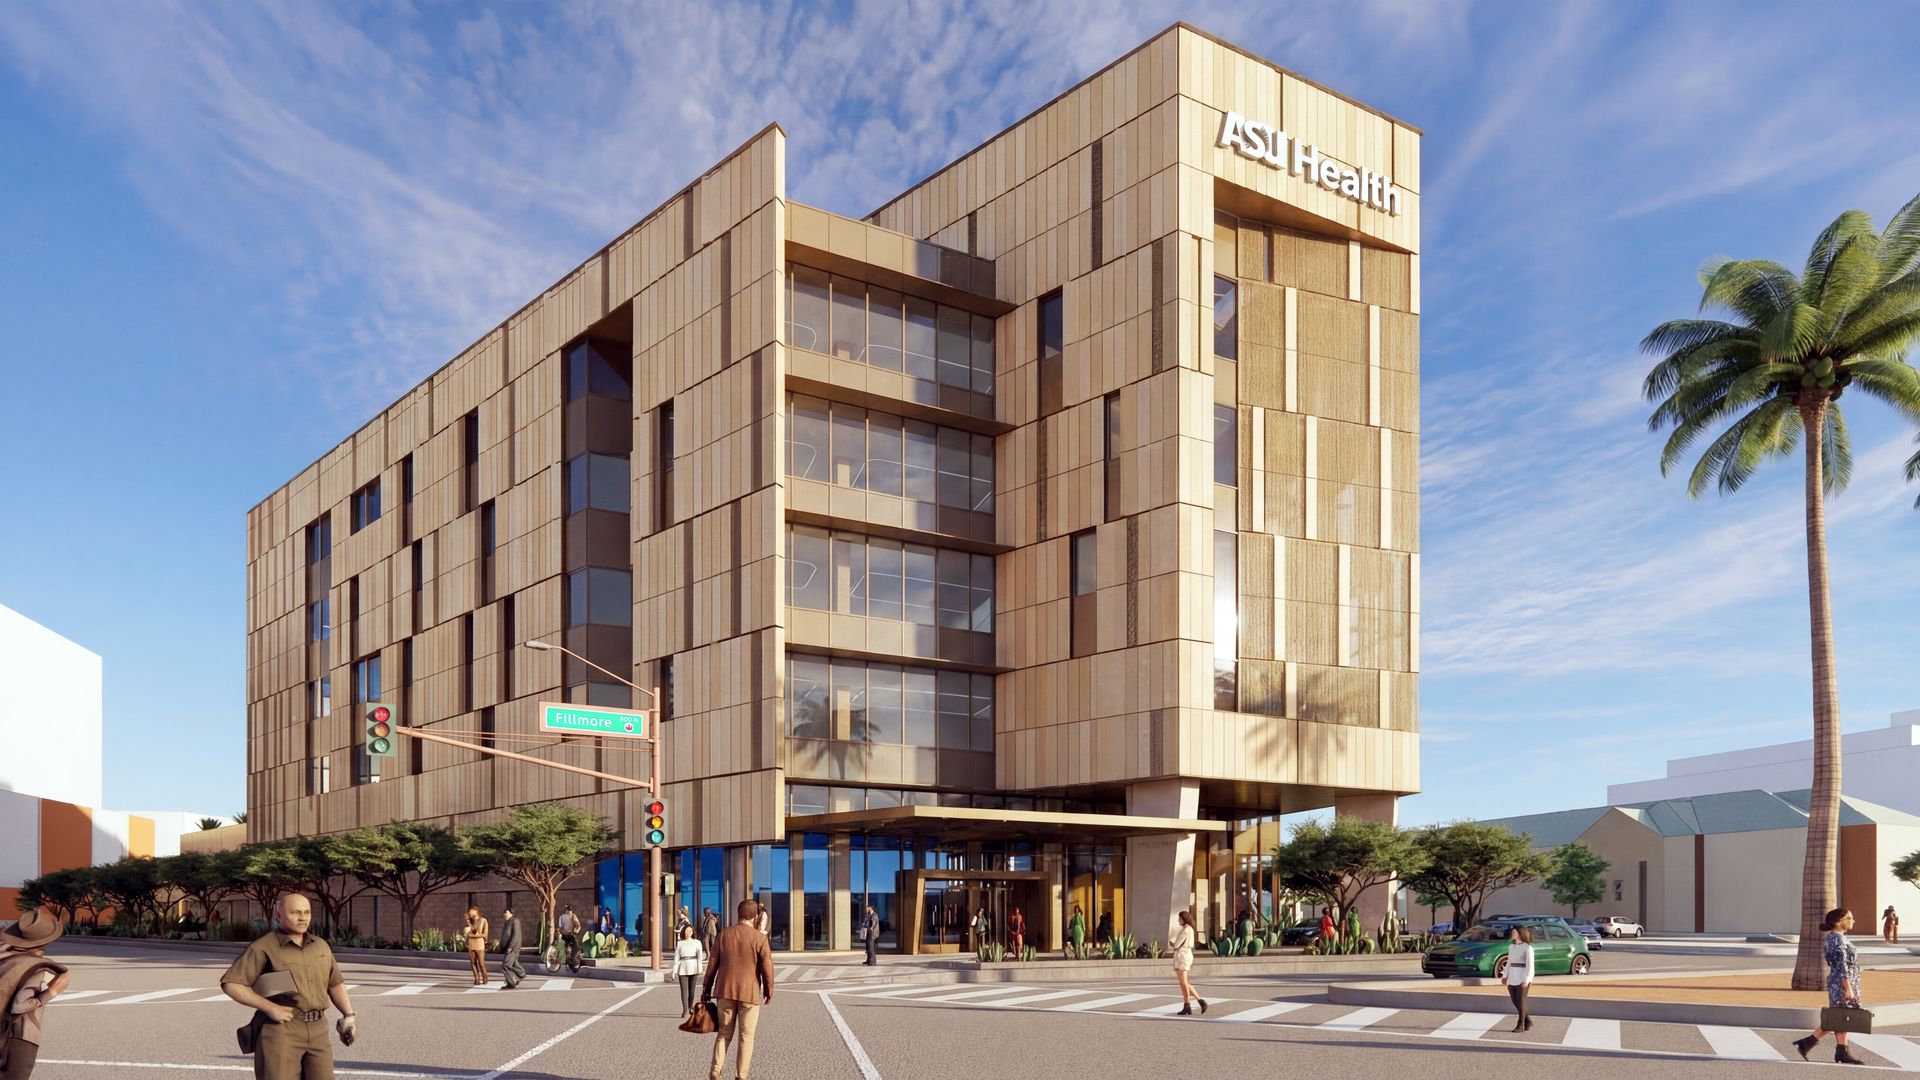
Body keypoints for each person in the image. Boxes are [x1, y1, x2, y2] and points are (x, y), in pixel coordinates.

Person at [220, 893, 358, 1080]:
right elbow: (232, 984)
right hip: (281, 1030)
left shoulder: (320, 946)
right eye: (295, 912)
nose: (302, 917)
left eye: (306, 912)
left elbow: (335, 983)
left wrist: (348, 1016)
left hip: (318, 1030)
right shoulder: (264, 947)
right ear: (279, 916)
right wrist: (270, 1008)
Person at [702, 899, 775, 1080]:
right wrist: (769, 990)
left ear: (738, 914)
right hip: (749, 994)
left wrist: (706, 989)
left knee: (724, 1034)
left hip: (725, 990)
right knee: (746, 1037)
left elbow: (712, 966)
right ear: (756, 917)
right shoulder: (759, 938)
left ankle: (715, 1072)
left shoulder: (724, 934)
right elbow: (767, 966)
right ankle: (741, 1076)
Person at [0, 910, 71, 1080]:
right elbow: (20, 1004)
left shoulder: (5, 958)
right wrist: (52, 991)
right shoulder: (36, 966)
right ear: (47, 941)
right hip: (19, 1037)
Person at [1794, 908, 1866, 1065]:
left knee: (1841, 1016)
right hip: (1841, 983)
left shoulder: (1838, 938)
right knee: (1841, 1015)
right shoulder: (1836, 940)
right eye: (1850, 918)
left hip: (1843, 982)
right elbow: (1841, 965)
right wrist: (1847, 987)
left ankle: (1824, 1046)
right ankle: (1838, 1051)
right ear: (1838, 922)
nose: (1853, 920)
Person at [1170, 910, 1207, 1016]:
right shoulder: (1187, 929)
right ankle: (1198, 1003)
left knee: (1184, 982)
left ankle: (1188, 1005)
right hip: (1183, 956)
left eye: (1179, 918)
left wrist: (1173, 944)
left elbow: (1177, 944)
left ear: (1184, 919)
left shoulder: (1186, 929)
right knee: (1183, 982)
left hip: (1183, 956)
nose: (1178, 920)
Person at [673, 925, 707, 1018]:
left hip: (693, 967)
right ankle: (685, 1009)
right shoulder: (680, 943)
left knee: (692, 990)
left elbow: (699, 957)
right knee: (683, 990)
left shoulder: (697, 942)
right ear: (683, 932)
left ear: (693, 932)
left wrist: (700, 969)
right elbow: (676, 958)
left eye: (690, 931)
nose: (688, 933)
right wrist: (674, 971)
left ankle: (690, 1007)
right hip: (683, 967)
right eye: (686, 931)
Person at [1505, 925, 1535, 1032]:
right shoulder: (1511, 947)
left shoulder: (1528, 948)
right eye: (1512, 932)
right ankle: (1528, 1020)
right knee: (1515, 1000)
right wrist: (1505, 976)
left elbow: (1531, 966)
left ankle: (1520, 1024)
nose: (1512, 933)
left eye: (1514, 932)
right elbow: (1509, 962)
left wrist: (1527, 979)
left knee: (1521, 1000)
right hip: (1512, 976)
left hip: (1523, 977)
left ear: (1520, 933)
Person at [498, 905, 524, 990]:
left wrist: (510, 946)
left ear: (511, 913)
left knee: (505, 965)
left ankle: (511, 983)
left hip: (513, 948)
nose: (504, 914)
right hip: (508, 947)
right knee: (513, 964)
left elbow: (516, 935)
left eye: (506, 912)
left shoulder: (515, 921)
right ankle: (521, 974)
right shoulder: (508, 921)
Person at [463, 907, 490, 986]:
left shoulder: (483, 920)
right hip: (471, 944)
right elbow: (467, 933)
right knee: (473, 963)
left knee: (481, 963)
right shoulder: (470, 921)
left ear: (476, 912)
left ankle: (485, 978)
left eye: (471, 912)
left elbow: (485, 934)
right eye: (469, 913)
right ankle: (477, 979)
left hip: (480, 944)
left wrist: (475, 935)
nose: (470, 914)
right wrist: (468, 923)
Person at [557, 905, 583, 973]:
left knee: (570, 946)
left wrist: (558, 931)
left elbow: (560, 927)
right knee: (574, 946)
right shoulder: (572, 916)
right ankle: (572, 959)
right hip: (568, 935)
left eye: (568, 910)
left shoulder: (563, 916)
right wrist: (576, 931)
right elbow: (578, 925)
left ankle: (571, 960)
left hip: (564, 935)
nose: (569, 911)